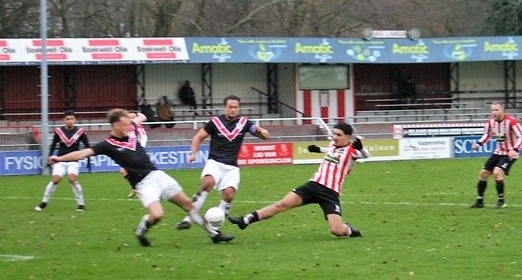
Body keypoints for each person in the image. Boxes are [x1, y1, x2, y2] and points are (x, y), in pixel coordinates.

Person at [47, 108, 234, 247]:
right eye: (125, 124)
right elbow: (81, 154)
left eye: (129, 123)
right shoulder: (107, 145)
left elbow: (142, 117)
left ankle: (214, 235)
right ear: (115, 125)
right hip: (143, 184)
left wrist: (137, 115)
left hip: (157, 175)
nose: (129, 127)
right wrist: (59, 158)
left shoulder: (131, 129)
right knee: (157, 215)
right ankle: (141, 230)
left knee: (189, 205)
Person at [227, 122, 368, 238]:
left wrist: (361, 149)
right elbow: (331, 151)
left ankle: (350, 230)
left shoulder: (352, 151)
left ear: (347, 137)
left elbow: (366, 155)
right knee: (281, 204)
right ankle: (245, 220)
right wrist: (318, 149)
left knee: (336, 230)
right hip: (313, 186)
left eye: (338, 135)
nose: (334, 137)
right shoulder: (332, 145)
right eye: (334, 133)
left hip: (330, 193)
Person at [175, 95, 270, 230]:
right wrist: (193, 154)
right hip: (215, 162)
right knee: (208, 183)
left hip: (232, 167)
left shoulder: (244, 123)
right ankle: (188, 219)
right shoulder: (215, 122)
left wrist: (261, 131)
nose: (233, 110)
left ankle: (215, 229)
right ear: (225, 107)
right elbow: (198, 137)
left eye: (235, 107)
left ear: (238, 108)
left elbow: (265, 135)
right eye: (230, 107)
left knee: (229, 195)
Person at [469, 101, 522, 209]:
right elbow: (487, 134)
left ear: (502, 110)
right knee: (483, 174)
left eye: (496, 110)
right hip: (498, 152)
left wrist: (515, 149)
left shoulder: (511, 121)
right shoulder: (491, 122)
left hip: (510, 154)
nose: (494, 112)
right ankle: (479, 201)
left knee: (497, 172)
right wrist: (479, 143)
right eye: (492, 110)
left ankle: (501, 201)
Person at [35, 110, 91, 212]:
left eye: (71, 119)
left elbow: (87, 146)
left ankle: (81, 204)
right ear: (64, 120)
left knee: (72, 179)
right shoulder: (59, 131)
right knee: (55, 180)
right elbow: (53, 145)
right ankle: (44, 202)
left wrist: (88, 159)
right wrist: (50, 156)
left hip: (73, 160)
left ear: (75, 120)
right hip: (60, 160)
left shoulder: (80, 132)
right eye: (67, 119)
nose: (70, 121)